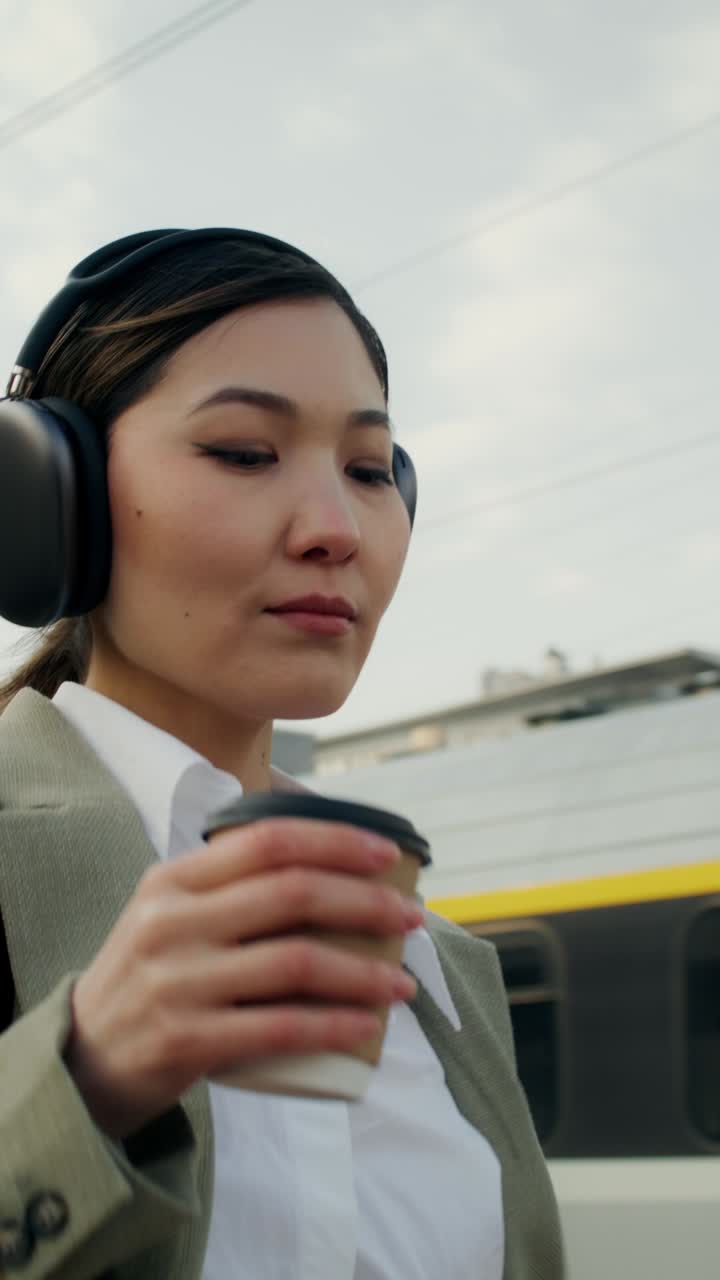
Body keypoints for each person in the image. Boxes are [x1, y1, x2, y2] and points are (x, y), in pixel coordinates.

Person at [0, 228, 564, 1279]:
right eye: (244, 452)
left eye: (369, 469)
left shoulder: (443, 964)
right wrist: (77, 1087)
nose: (336, 526)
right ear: (48, 496)